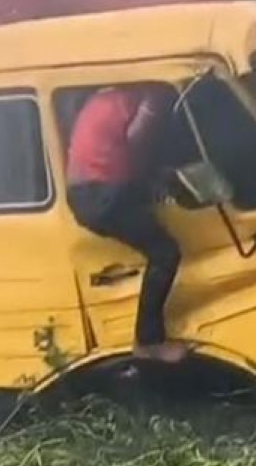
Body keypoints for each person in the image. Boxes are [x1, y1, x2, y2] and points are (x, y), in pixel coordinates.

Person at [66, 85, 187, 364]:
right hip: (102, 195)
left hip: (88, 190)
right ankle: (148, 341)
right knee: (165, 252)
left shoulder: (103, 96)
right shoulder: (152, 95)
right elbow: (136, 139)